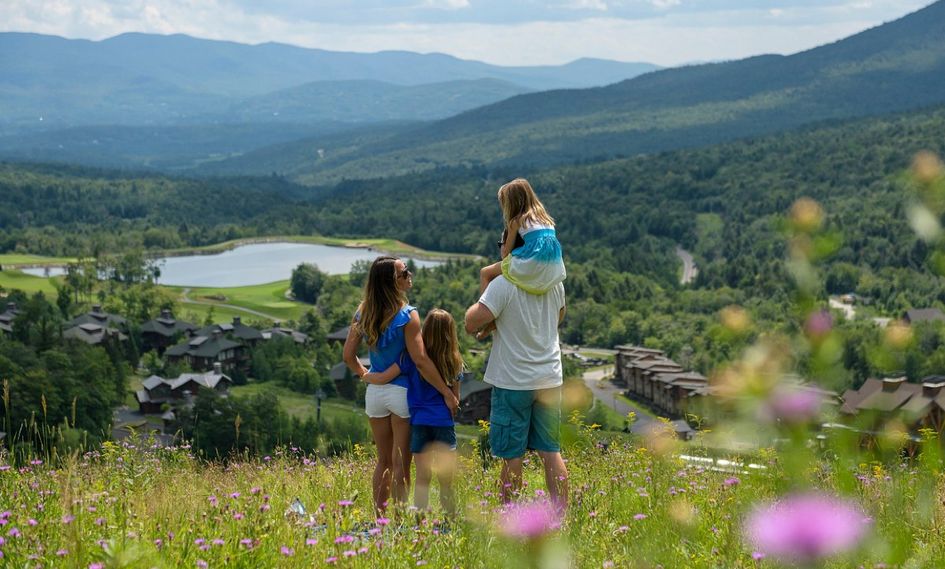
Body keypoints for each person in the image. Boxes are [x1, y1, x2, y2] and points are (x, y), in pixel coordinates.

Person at [344, 257, 460, 513]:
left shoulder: (363, 311)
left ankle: (379, 519)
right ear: (391, 282)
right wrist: (446, 391)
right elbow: (420, 361)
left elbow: (348, 355)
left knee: (382, 460)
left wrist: (366, 375)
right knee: (401, 463)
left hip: (374, 394)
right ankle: (396, 522)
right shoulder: (408, 315)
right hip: (401, 394)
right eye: (403, 273)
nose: (409, 275)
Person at [464, 267, 569, 510]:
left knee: (513, 455)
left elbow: (471, 323)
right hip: (549, 379)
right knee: (551, 451)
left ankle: (509, 517)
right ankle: (561, 516)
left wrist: (485, 278)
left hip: (514, 381)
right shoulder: (554, 282)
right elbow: (558, 317)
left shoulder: (503, 284)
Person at [365, 309, 463, 516]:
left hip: (419, 422)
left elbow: (384, 377)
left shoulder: (409, 357)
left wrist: (364, 376)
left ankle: (420, 522)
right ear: (451, 333)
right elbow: (455, 400)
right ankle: (450, 520)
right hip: (443, 423)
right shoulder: (454, 361)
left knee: (422, 477)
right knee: (446, 479)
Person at [477, 178, 566, 339]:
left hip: (531, 263)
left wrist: (506, 242)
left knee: (486, 273)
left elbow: (505, 255)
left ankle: (488, 318)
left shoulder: (517, 220)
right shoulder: (546, 218)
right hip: (554, 265)